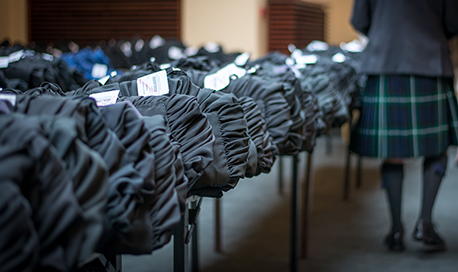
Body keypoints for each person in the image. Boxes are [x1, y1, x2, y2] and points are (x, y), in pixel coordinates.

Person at [350, 0, 458, 251]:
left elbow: (360, 20)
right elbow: (453, 22)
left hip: (384, 61)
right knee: (437, 147)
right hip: (429, 61)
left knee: (393, 152)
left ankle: (396, 230)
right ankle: (425, 224)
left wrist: (387, 33)